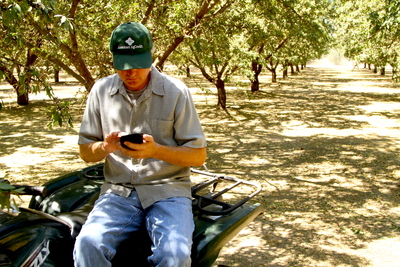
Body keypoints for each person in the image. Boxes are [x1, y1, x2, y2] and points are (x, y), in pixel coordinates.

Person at [73, 22, 207, 267]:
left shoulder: (176, 91)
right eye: (124, 66)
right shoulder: (100, 91)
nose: (131, 73)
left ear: (151, 57)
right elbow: (86, 152)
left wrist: (156, 151)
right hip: (118, 191)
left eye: (138, 64)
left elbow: (198, 156)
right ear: (113, 59)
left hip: (168, 191)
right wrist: (106, 147)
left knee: (174, 256)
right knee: (87, 245)